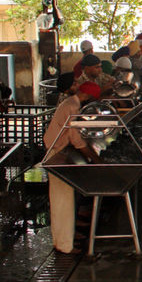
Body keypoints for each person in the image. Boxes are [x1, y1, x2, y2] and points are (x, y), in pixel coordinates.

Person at [43, 82, 102, 254]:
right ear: (88, 97)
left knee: (62, 199)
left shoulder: (70, 103)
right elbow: (77, 140)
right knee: (63, 201)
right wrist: (96, 160)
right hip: (57, 154)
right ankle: (65, 245)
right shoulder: (73, 108)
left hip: (60, 152)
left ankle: (62, 240)